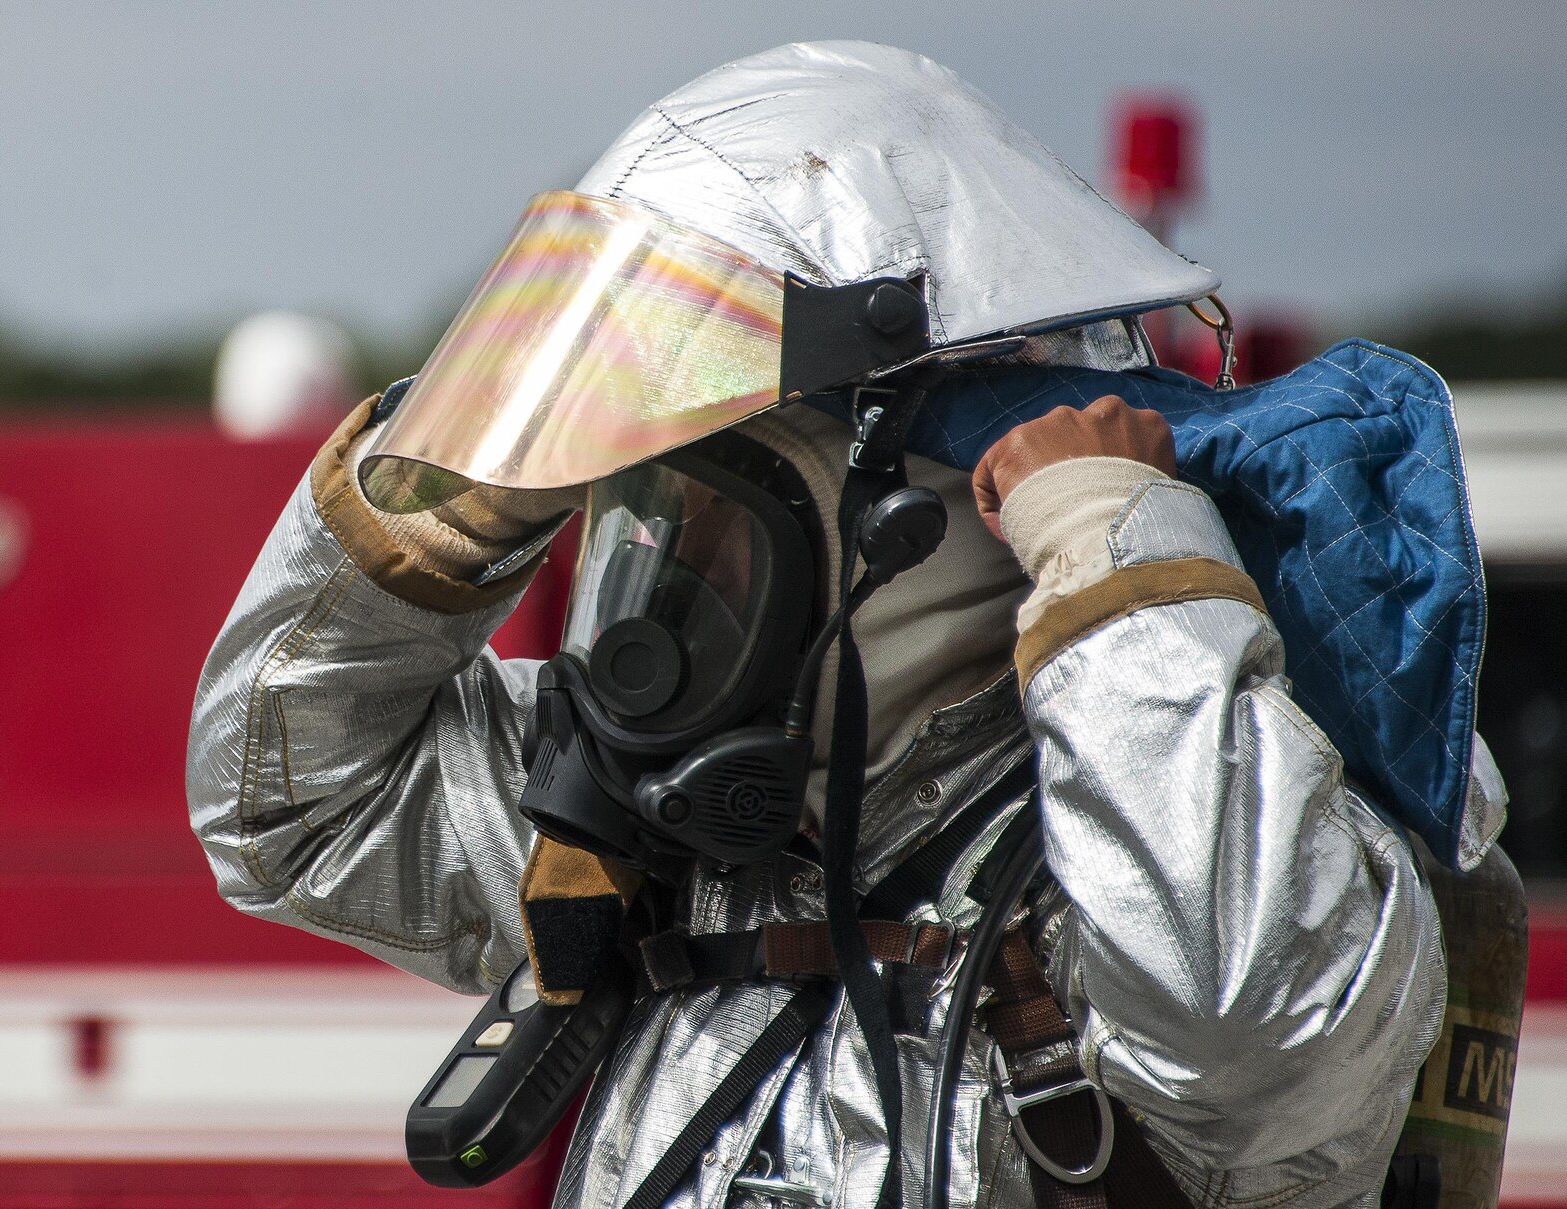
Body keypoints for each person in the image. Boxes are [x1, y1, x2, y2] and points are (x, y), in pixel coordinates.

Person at [188, 43, 1462, 1209]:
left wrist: (1114, 553)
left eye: (709, 510)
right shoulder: (671, 832)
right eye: (643, 502)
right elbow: (290, 812)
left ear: (914, 529)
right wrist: (456, 478)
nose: (663, 567)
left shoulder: (1229, 831)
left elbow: (1239, 1019)